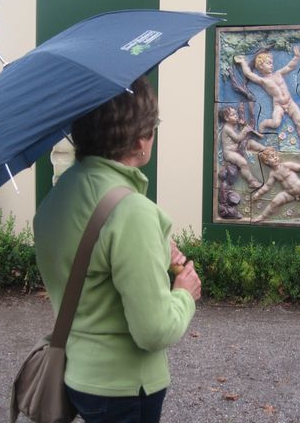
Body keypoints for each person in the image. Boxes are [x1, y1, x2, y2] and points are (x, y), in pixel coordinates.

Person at [33, 76, 202, 423]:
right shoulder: (132, 212)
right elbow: (153, 331)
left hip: (78, 377)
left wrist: (150, 249)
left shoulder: (57, 198)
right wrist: (184, 294)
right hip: (125, 389)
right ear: (140, 140)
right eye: (152, 128)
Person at [234, 47, 300, 151]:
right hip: (278, 105)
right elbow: (249, 74)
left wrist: (297, 57)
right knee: (275, 123)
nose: (271, 65)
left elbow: (290, 67)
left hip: (290, 103)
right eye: (268, 63)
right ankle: (265, 123)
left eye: (272, 63)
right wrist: (243, 62)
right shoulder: (263, 80)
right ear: (261, 67)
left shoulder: (278, 74)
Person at [252, 147, 300, 223]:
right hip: (289, 193)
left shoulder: (286, 165)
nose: (275, 158)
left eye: (276, 155)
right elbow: (267, 186)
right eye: (272, 157)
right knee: (274, 202)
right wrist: (258, 194)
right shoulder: (273, 174)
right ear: (267, 162)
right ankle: (262, 217)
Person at [219, 105, 265, 189]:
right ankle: (251, 182)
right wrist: (244, 130)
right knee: (243, 163)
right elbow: (237, 139)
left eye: (236, 113)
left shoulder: (233, 124)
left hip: (236, 148)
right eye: (233, 115)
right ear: (226, 118)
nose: (236, 116)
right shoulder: (227, 128)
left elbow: (238, 133)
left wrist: (242, 125)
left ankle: (265, 149)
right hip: (230, 153)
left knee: (250, 142)